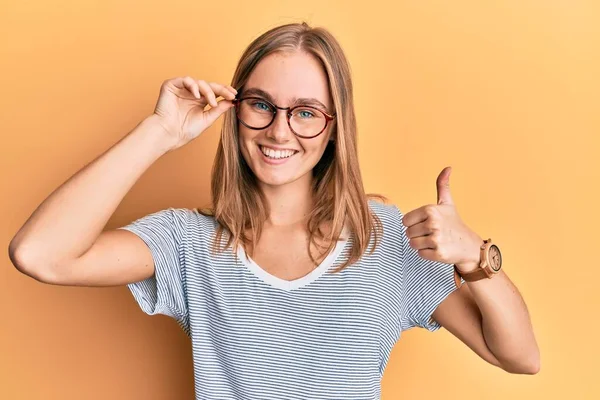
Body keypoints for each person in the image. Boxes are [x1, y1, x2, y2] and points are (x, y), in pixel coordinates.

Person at [8, 22, 539, 399]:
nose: (279, 130)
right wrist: (160, 132)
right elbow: (41, 255)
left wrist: (475, 257)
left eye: (305, 112)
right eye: (261, 104)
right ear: (236, 112)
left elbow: (518, 357)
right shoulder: (190, 243)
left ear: (334, 129)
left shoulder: (384, 242)